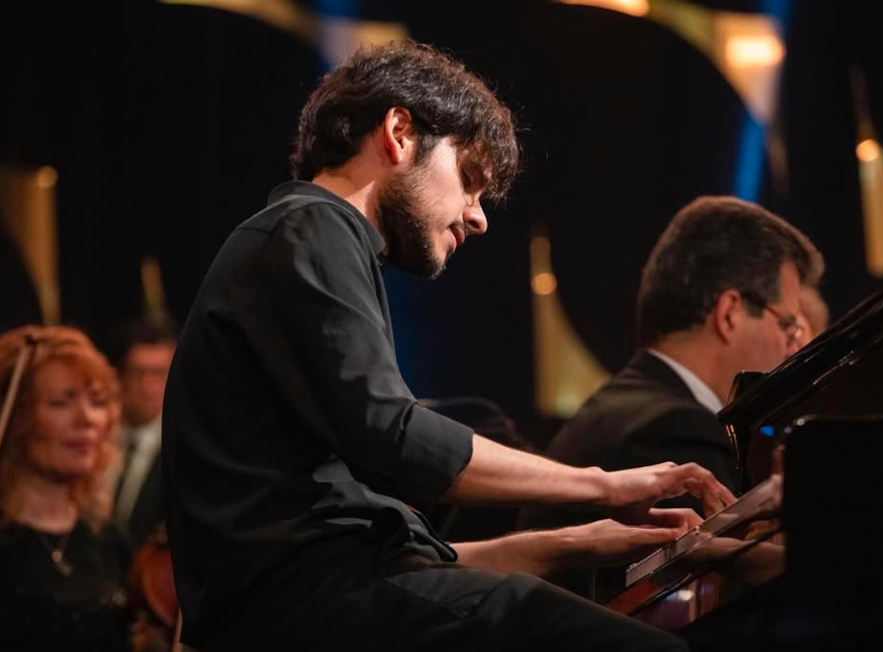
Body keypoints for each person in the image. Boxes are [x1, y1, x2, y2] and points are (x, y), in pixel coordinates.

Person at [162, 40, 735, 652]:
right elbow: (395, 437)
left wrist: (577, 542)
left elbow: (384, 556)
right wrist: (604, 486)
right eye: (469, 180)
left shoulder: (309, 240)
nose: (478, 216)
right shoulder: (310, 227)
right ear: (399, 133)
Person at [518, 196, 823, 596]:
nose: (792, 349)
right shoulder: (672, 430)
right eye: (788, 326)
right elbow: (719, 603)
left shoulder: (629, 407)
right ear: (730, 313)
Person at [0, 325, 132, 652]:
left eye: (97, 401)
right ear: (16, 418)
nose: (86, 419)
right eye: (61, 402)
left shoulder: (107, 537)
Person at [107, 320, 176, 548]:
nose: (148, 386)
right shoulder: (95, 439)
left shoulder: (181, 447)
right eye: (138, 373)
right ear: (120, 376)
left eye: (159, 373)